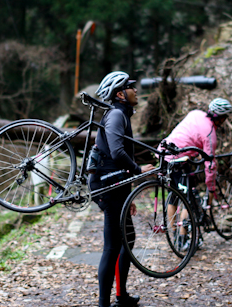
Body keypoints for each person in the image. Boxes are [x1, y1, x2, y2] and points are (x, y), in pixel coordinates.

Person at [89, 71, 155, 307]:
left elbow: (115, 159)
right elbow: (117, 153)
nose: (135, 90)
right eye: (130, 87)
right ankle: (104, 304)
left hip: (115, 183)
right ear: (120, 93)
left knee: (127, 240)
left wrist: (128, 192)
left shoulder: (121, 114)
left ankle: (121, 296)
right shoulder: (116, 114)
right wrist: (139, 170)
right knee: (113, 246)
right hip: (106, 184)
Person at [161, 98, 232, 249]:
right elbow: (210, 165)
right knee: (190, 197)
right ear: (221, 118)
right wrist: (211, 188)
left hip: (164, 154)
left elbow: (188, 134)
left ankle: (174, 236)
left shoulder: (196, 113)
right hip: (178, 160)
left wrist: (195, 152)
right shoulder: (210, 134)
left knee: (173, 196)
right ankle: (181, 239)